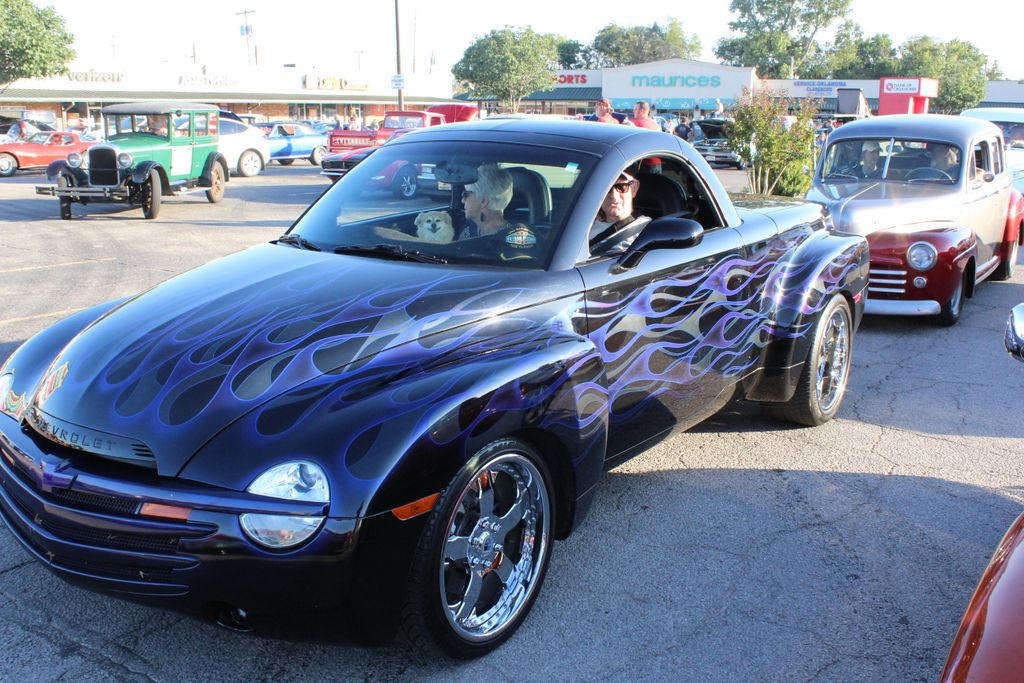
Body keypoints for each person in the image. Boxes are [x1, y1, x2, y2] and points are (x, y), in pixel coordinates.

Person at [589, 171, 650, 255]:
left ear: (634, 188)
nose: (614, 196)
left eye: (621, 187)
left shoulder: (646, 232)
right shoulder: (579, 219)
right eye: (606, 188)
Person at [457, 164, 515, 240]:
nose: (462, 201)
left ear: (483, 201)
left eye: (466, 195)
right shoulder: (467, 232)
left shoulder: (514, 238)